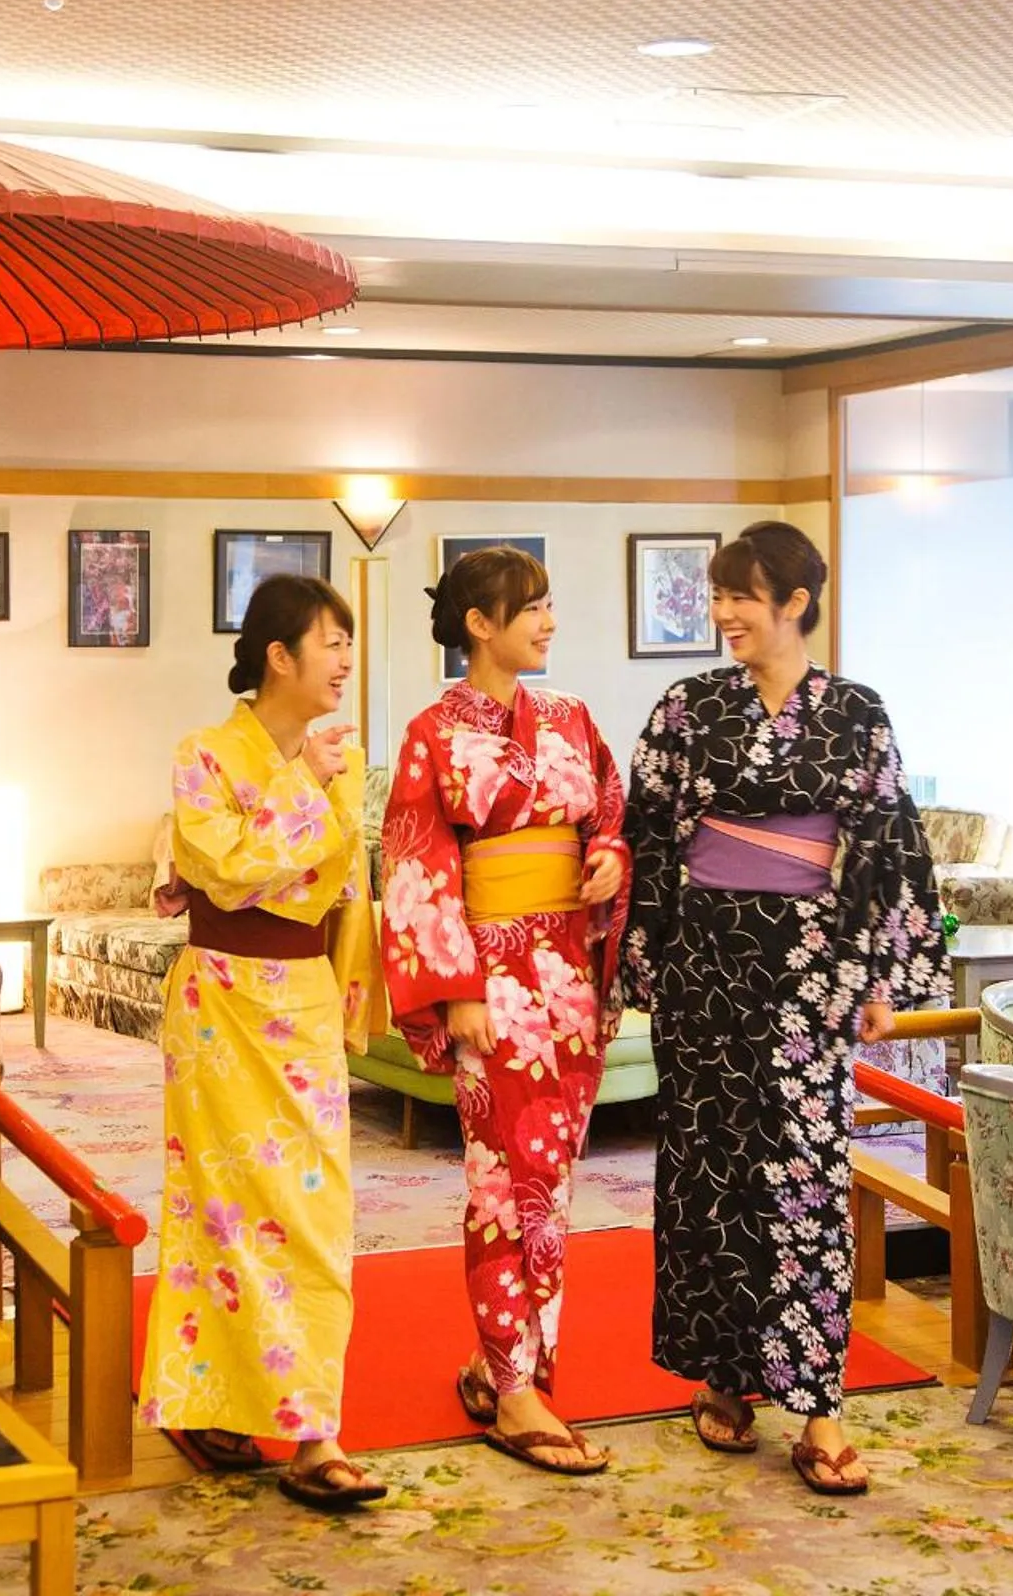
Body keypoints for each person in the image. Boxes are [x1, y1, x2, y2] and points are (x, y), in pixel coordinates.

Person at [621, 520, 948, 1496]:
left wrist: (881, 975)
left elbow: (887, 840)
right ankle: (723, 1376)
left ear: (795, 602)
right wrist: (643, 956)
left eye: (741, 596)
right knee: (707, 1171)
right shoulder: (688, 707)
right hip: (704, 963)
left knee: (806, 1175)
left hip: (809, 969)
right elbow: (646, 830)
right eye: (718, 595)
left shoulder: (855, 712)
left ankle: (820, 1406)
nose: (723, 613)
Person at [137, 573, 389, 1510]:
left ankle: (314, 1428)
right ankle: (216, 1400)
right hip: (221, 1004)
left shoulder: (339, 760)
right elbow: (228, 869)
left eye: (349, 643)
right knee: (219, 1210)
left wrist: (357, 999)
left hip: (304, 998)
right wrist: (301, 781)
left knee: (313, 1214)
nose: (346, 660)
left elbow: (349, 892)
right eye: (332, 642)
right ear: (279, 656)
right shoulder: (204, 754)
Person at [380, 545, 630, 1476]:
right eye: (531, 609)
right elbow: (416, 860)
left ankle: (501, 1366)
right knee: (502, 1180)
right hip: (489, 978)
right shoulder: (433, 733)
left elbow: (611, 813)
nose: (549, 622)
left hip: (569, 971)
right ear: (479, 625)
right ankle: (517, 1388)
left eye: (550, 605)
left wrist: (608, 858)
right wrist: (455, 990)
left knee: (550, 1180)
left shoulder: (571, 718)